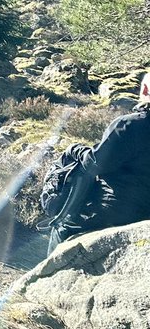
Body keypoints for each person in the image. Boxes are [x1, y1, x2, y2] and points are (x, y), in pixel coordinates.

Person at [49, 72, 150, 253]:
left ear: (144, 89)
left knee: (61, 227)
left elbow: (96, 164)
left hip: (116, 211)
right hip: (146, 216)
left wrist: (75, 150)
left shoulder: (129, 125)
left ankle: (45, 277)